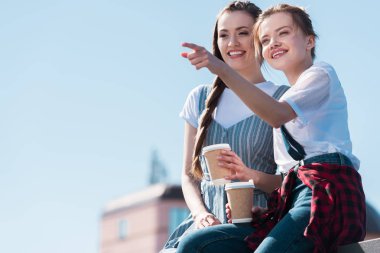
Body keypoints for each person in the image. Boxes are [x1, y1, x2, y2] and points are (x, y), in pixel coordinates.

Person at [178, 3, 366, 253]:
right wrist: (264, 199)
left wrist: (220, 68)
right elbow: (288, 176)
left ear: (310, 41)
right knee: (195, 244)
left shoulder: (319, 75)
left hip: (324, 191)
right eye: (265, 39)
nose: (274, 43)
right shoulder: (287, 100)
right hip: (294, 196)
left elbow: (276, 115)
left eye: (283, 33)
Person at [160, 1, 289, 252]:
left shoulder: (283, 99)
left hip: (257, 222)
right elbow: (188, 175)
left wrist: (250, 176)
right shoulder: (199, 98)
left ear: (260, 38)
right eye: (224, 35)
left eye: (243, 33)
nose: (232, 43)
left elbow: (290, 182)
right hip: (202, 224)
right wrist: (200, 215)